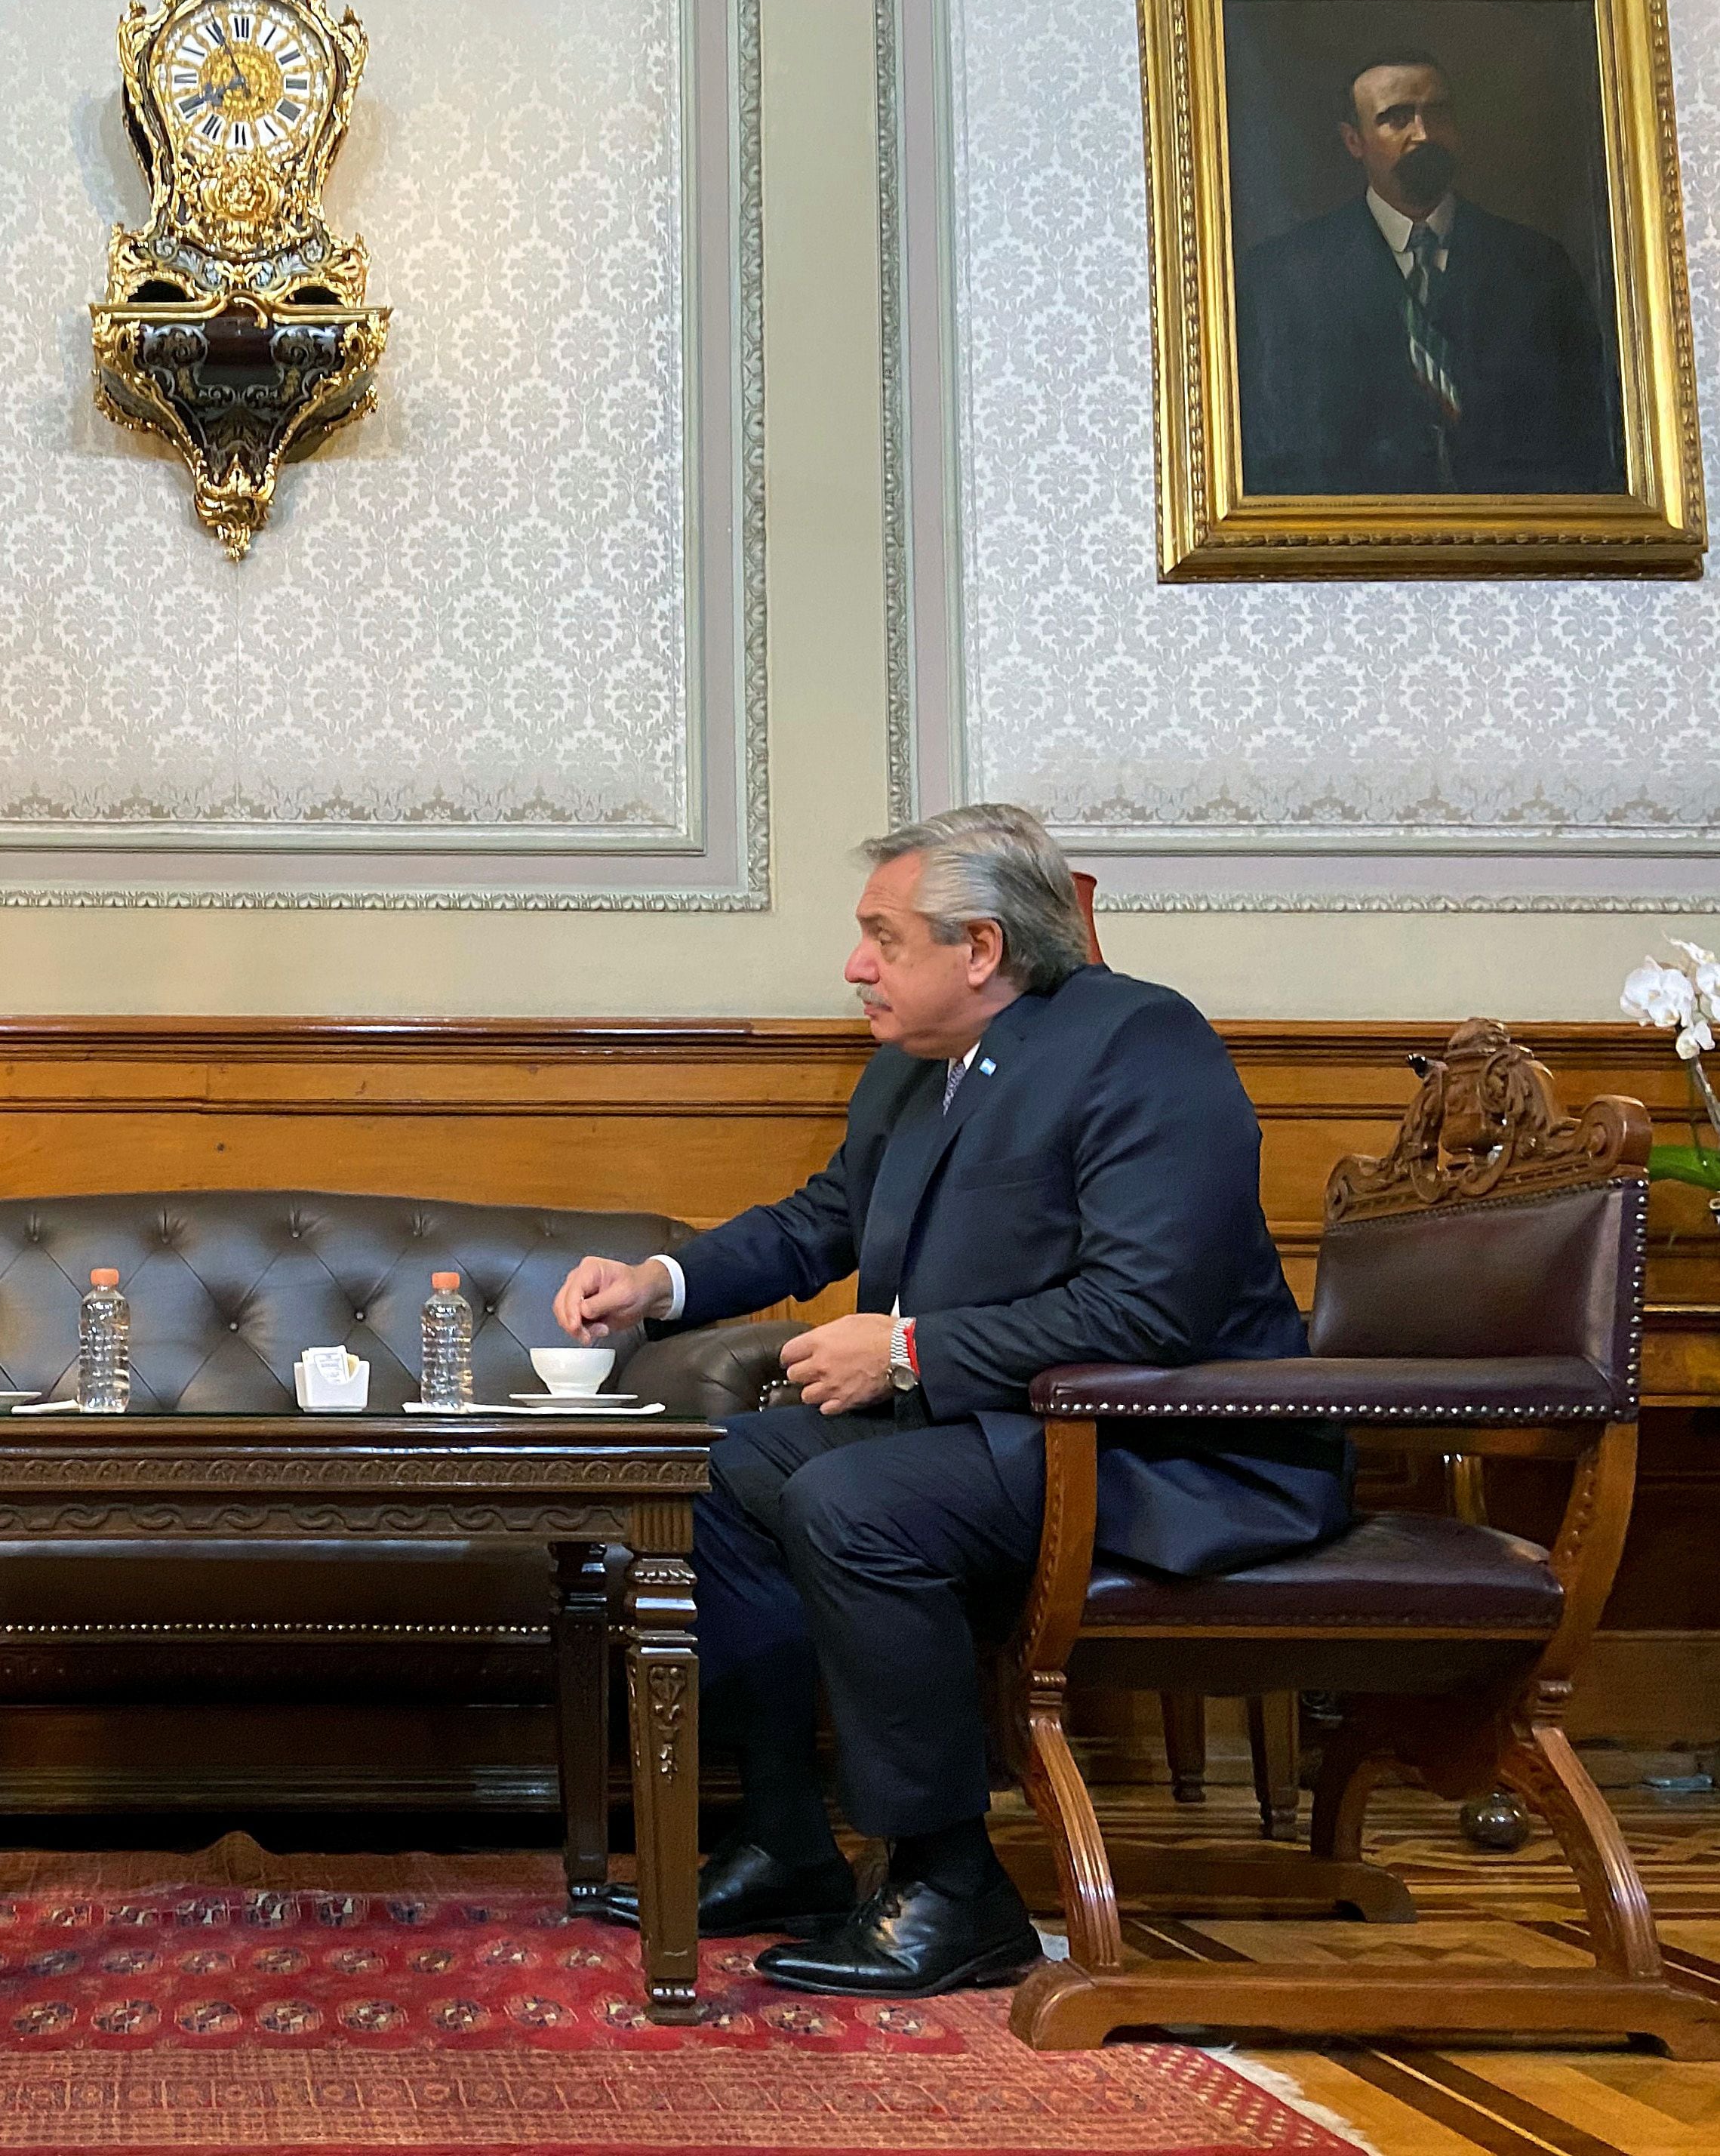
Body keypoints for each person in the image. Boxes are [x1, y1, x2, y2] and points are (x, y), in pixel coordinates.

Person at [552, 806, 1343, 2000]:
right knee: (713, 1473)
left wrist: (911, 1350)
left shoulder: (1141, 1040)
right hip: (1007, 1433)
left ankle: (952, 1888)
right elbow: (821, 1222)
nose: (855, 965)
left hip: (1170, 1450)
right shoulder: (909, 1073)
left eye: (883, 936)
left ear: (981, 949)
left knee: (856, 1501)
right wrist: (657, 1283)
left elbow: (1150, 1309)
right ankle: (785, 1842)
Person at [1236, 48, 1621, 494]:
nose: (1423, 134)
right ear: (1353, 140)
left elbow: (1590, 436)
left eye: (1437, 114)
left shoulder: (1537, 267)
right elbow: (1269, 452)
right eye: (1396, 118)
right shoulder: (1282, 278)